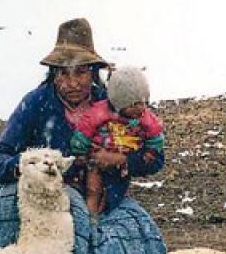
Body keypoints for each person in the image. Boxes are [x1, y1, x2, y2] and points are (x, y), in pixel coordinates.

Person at [0, 18, 167, 254]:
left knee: (130, 237)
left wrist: (121, 160)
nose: (72, 83)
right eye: (63, 74)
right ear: (53, 74)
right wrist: (28, 169)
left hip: (99, 198)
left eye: (80, 72)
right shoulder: (36, 104)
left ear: (93, 72)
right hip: (42, 198)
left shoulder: (115, 104)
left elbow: (154, 159)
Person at [70, 66, 165, 217]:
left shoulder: (144, 118)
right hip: (96, 159)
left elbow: (156, 136)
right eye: (134, 104)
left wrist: (149, 153)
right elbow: (85, 129)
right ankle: (90, 216)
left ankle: (108, 207)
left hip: (120, 164)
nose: (141, 108)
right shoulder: (100, 112)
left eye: (144, 102)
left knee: (115, 190)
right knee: (93, 188)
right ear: (119, 103)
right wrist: (81, 151)